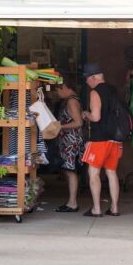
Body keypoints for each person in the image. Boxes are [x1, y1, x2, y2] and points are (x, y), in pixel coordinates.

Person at [81, 63, 122, 217]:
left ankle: (97, 209)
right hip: (115, 139)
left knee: (94, 173)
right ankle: (114, 207)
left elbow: (96, 117)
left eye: (86, 78)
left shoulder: (95, 92)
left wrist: (86, 114)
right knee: (112, 173)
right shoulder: (114, 90)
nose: (86, 81)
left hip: (99, 139)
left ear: (93, 77)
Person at [52, 79, 85, 213]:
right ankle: (71, 202)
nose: (57, 94)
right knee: (69, 171)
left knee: (71, 172)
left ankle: (72, 203)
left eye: (58, 90)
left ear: (65, 87)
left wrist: (60, 126)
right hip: (69, 141)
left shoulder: (71, 101)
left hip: (71, 142)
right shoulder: (73, 100)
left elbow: (78, 122)